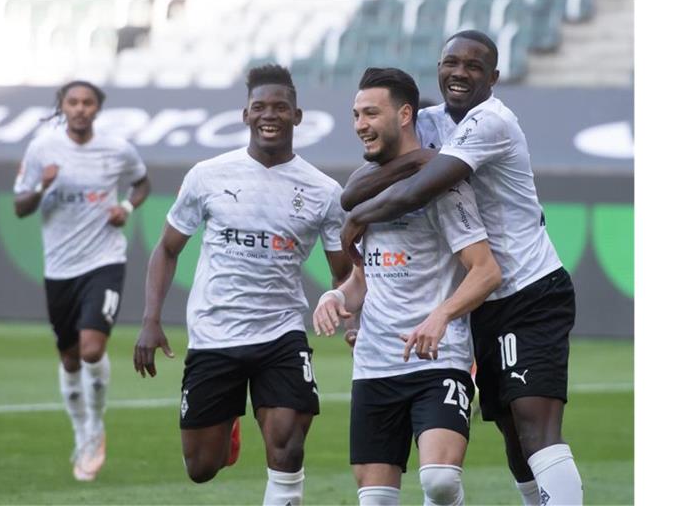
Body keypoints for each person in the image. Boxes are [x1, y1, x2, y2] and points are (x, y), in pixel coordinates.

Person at [340, 31, 583, 505]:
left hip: (528, 288)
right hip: (482, 302)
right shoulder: (426, 121)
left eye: (474, 66)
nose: (459, 73)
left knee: (536, 426)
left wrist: (360, 215)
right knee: (514, 437)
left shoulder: (491, 121)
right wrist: (366, 196)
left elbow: (413, 192)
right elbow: (357, 184)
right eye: (451, 62)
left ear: (493, 77)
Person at [133, 64, 352, 505]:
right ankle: (227, 427)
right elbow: (167, 248)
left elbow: (343, 270)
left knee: (287, 445)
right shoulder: (208, 175)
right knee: (201, 467)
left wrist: (351, 315)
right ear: (245, 115)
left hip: (281, 332)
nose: (269, 115)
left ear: (298, 116)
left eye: (280, 107)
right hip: (215, 332)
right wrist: (150, 320)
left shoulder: (324, 191)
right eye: (260, 107)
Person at [313, 67, 501, 506]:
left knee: (439, 481)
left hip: (438, 357)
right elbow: (366, 276)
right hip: (375, 364)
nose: (360, 124)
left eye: (371, 113)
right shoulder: (365, 188)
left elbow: (486, 270)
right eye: (356, 114)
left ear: (404, 114)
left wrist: (440, 316)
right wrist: (337, 295)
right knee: (376, 500)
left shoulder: (443, 185)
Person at [13, 80, 151, 481]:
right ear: (63, 107)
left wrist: (125, 206)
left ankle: (95, 425)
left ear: (97, 109)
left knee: (92, 350)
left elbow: (142, 182)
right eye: (72, 102)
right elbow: (21, 206)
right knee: (70, 357)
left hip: (104, 260)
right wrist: (43, 185)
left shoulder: (116, 148)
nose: (80, 109)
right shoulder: (43, 149)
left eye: (87, 102)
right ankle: (81, 429)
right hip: (60, 267)